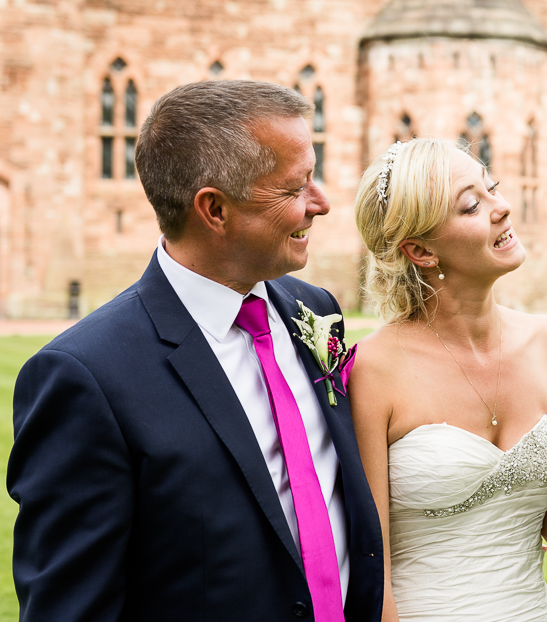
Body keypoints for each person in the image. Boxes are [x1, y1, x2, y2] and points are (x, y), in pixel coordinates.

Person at [7, 80, 383, 621]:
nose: (321, 204)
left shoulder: (314, 310)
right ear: (214, 209)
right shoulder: (86, 376)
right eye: (294, 188)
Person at [350, 138, 547, 621]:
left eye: (493, 187)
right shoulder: (372, 370)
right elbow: (371, 568)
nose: (502, 207)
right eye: (472, 205)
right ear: (420, 250)